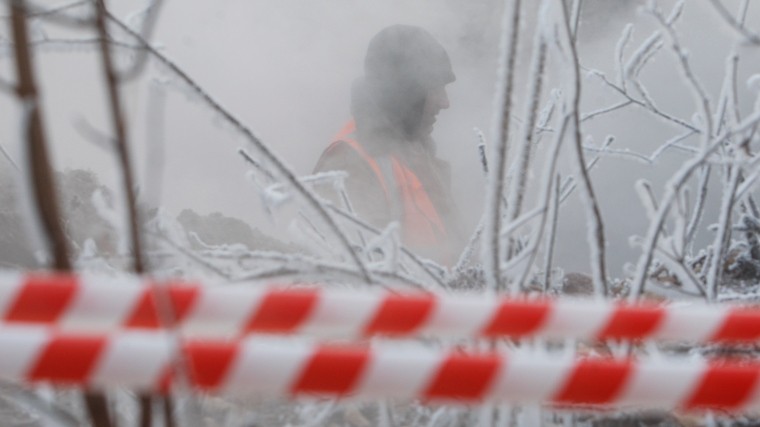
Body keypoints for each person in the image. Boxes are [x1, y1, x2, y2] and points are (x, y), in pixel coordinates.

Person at [314, 25, 464, 264]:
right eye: (435, 89)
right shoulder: (347, 163)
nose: (445, 102)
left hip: (439, 299)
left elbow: (453, 249)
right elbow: (356, 275)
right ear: (406, 92)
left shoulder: (416, 150)